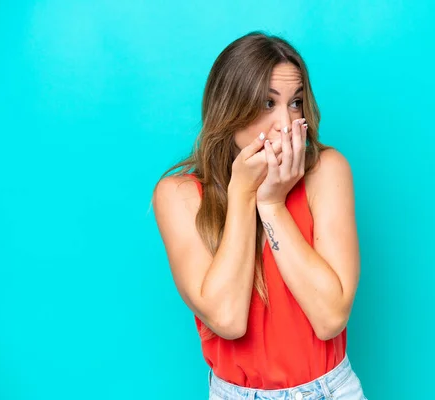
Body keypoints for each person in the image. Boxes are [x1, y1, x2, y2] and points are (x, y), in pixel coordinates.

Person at [152, 31, 367, 399]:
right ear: (229, 108)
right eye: (268, 103)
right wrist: (242, 192)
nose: (285, 123)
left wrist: (271, 205)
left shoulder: (326, 172)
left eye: (295, 103)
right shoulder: (179, 195)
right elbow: (227, 320)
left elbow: (331, 318)